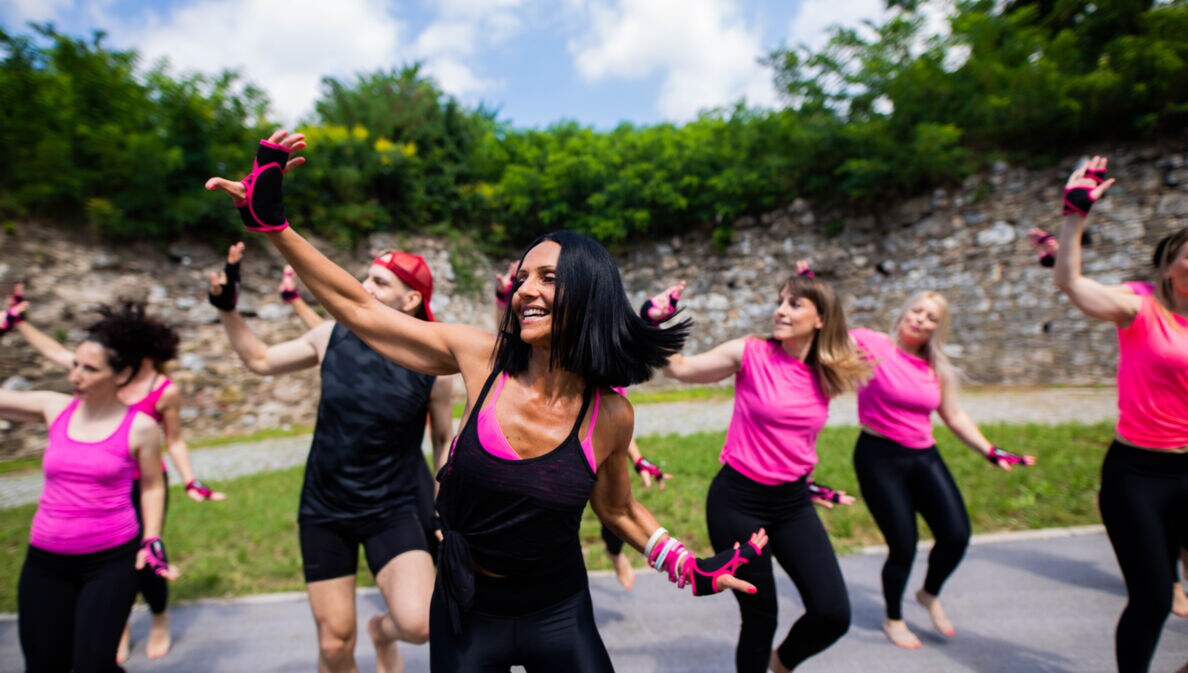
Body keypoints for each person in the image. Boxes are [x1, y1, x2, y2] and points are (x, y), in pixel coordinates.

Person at [205, 130, 768, 672]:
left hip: (558, 613)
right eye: (523, 278)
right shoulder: (479, 358)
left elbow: (617, 509)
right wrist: (276, 226)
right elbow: (362, 310)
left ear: (590, 295)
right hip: (466, 614)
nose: (525, 290)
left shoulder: (611, 415)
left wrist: (690, 568)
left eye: (547, 278)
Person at [207, 239, 453, 673]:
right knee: (336, 645)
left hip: (390, 509)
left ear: (412, 299)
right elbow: (261, 359)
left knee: (419, 624)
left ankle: (382, 633)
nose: (364, 286)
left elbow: (443, 442)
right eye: (366, 276)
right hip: (325, 509)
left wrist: (442, 512)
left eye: (379, 281)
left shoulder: (433, 366)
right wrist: (227, 309)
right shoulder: (331, 334)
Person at [659, 266, 868, 673]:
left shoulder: (827, 370)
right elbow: (680, 370)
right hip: (739, 503)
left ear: (821, 318)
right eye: (779, 302)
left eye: (794, 303)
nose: (781, 311)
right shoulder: (751, 352)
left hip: (793, 504)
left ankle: (782, 663)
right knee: (761, 617)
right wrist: (658, 323)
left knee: (833, 614)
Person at [3, 289, 221, 661]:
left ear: (121, 374)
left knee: (93, 663)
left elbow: (152, 484)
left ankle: (155, 620)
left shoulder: (140, 427)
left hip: (109, 560)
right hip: (45, 560)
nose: (75, 376)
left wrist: (152, 537)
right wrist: (7, 326)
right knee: (43, 663)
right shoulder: (54, 408)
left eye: (89, 369)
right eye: (75, 365)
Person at [1052, 155, 1188, 673]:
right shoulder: (1140, 308)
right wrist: (1074, 216)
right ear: (1169, 267)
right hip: (1139, 475)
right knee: (1154, 599)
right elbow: (1072, 284)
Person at [843, 282, 1035, 649]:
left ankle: (929, 593)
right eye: (917, 311)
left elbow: (953, 414)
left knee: (957, 535)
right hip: (878, 456)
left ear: (937, 327)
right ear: (903, 312)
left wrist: (990, 450)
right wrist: (814, 290)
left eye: (931, 317)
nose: (920, 320)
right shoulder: (870, 344)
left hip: (923, 455)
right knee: (904, 544)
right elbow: (829, 339)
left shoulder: (937, 368)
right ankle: (893, 618)